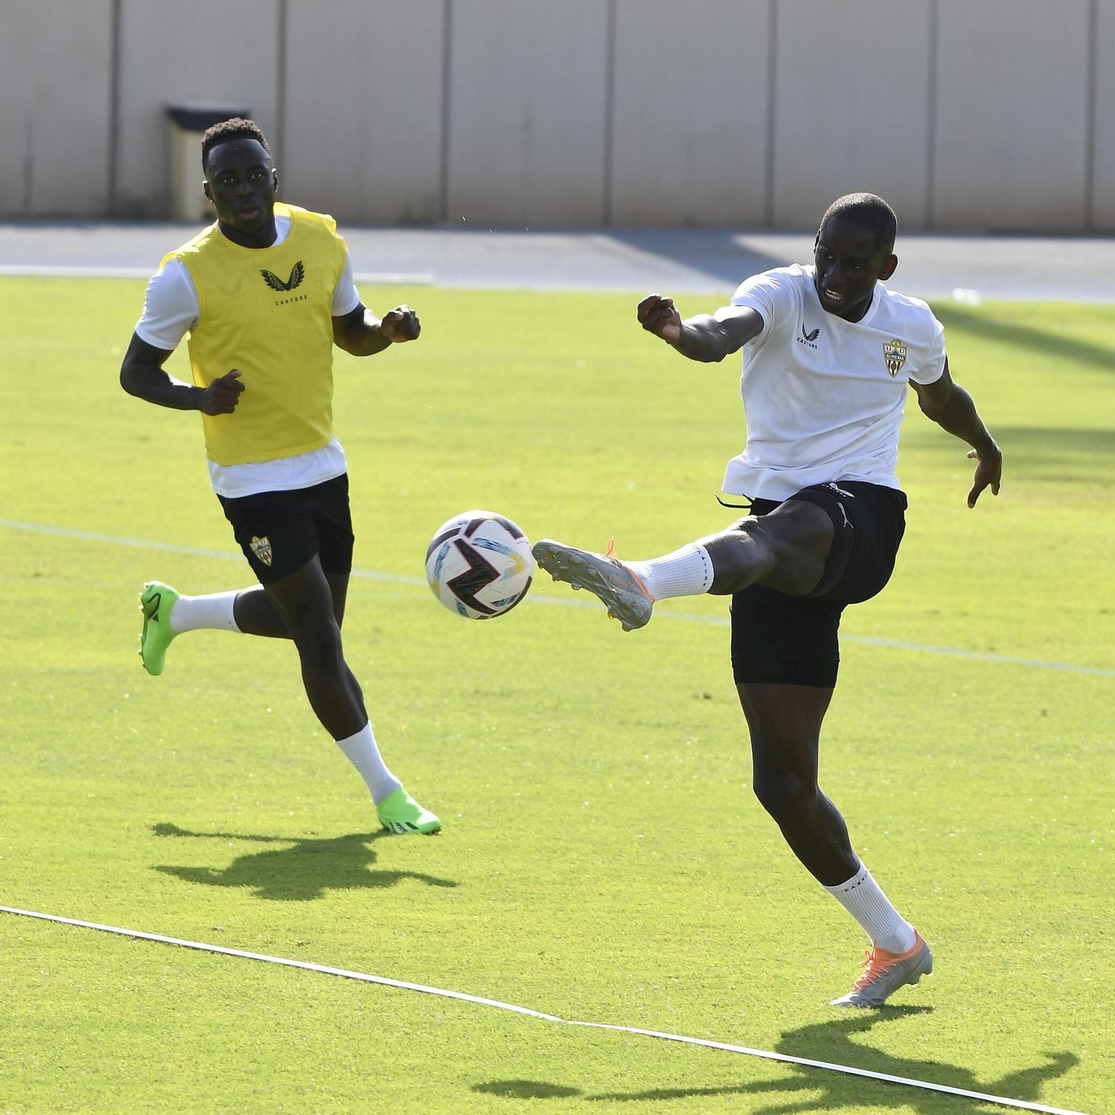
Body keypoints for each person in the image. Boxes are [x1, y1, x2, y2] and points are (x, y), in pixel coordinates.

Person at [532, 193, 1002, 1006]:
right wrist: (680, 331)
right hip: (774, 541)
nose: (836, 275)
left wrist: (984, 443)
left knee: (781, 535)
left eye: (855, 264)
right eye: (827, 255)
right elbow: (722, 335)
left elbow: (940, 392)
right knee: (782, 784)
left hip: (859, 518)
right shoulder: (782, 293)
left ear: (885, 268)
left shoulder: (911, 323)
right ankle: (898, 944)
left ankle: (641, 579)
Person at [119, 117, 440, 836]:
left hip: (322, 464)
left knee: (314, 619)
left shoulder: (321, 239)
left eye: (251, 174)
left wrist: (385, 334)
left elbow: (347, 330)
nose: (242, 189)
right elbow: (135, 372)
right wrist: (198, 397)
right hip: (251, 477)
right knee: (321, 640)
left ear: (272, 174)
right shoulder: (186, 274)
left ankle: (175, 613)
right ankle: (388, 793)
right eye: (225, 180)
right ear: (209, 193)